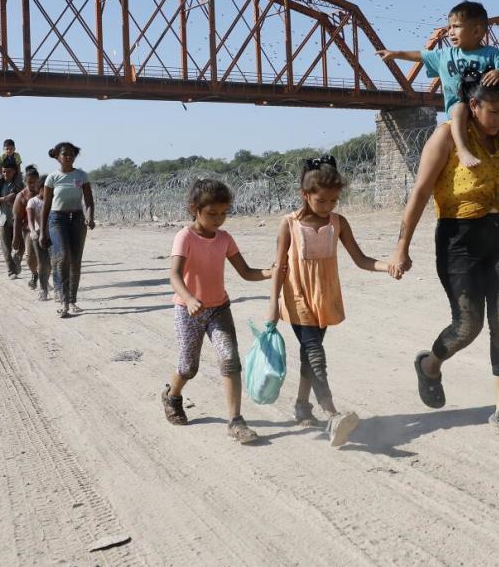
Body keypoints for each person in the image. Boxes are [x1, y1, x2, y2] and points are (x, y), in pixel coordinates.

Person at [388, 71, 499, 436]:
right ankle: (430, 365)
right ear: (473, 105)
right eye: (493, 111)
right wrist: (401, 247)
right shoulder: (445, 137)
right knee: (467, 327)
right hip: (458, 239)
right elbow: (420, 192)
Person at [265, 156, 391, 448]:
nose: (328, 206)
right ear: (304, 195)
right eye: (321, 200)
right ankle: (332, 413)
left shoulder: (339, 223)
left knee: (311, 354)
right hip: (297, 297)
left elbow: (361, 260)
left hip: (325, 296)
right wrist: (273, 303)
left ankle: (301, 405)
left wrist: (388, 266)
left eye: (333, 201)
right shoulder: (289, 225)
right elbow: (279, 266)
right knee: (315, 352)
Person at [376, 0, 499, 207]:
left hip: (485, 112)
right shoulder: (445, 55)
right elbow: (421, 55)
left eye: (456, 27)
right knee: (460, 108)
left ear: (476, 31)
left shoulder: (492, 54)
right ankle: (463, 150)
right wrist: (396, 54)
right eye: (449, 27)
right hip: (459, 108)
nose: (450, 32)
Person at [162, 179, 272, 444]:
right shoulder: (185, 237)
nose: (219, 220)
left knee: (230, 360)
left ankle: (235, 421)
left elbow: (245, 272)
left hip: (218, 309)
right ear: (194, 209)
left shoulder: (224, 238)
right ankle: (172, 395)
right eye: (212, 214)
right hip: (188, 311)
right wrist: (188, 299)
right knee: (189, 366)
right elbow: (174, 275)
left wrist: (271, 272)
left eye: (224, 213)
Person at [40, 142, 95, 315]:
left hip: (77, 219)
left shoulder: (81, 176)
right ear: (57, 156)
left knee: (75, 261)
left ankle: (72, 300)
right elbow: (46, 206)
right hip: (57, 219)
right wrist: (42, 231)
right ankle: (63, 302)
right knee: (63, 256)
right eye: (65, 154)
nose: (69, 157)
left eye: (72, 154)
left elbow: (89, 201)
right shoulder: (52, 178)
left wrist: (90, 217)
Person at [13, 169, 51, 300]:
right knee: (30, 257)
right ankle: (35, 274)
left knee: (46, 261)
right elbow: (18, 218)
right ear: (25, 182)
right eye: (29, 182)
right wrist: (16, 238)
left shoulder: (49, 195)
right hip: (29, 231)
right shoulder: (22, 197)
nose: (32, 185)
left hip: (49, 231)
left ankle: (44, 281)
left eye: (34, 182)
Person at [0, 162, 24, 278]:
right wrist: (4, 198)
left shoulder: (20, 184)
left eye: (8, 171)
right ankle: (11, 271)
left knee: (21, 246)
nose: (5, 174)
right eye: (3, 171)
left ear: (14, 172)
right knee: (6, 247)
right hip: (3, 220)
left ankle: (17, 260)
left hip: (18, 220)